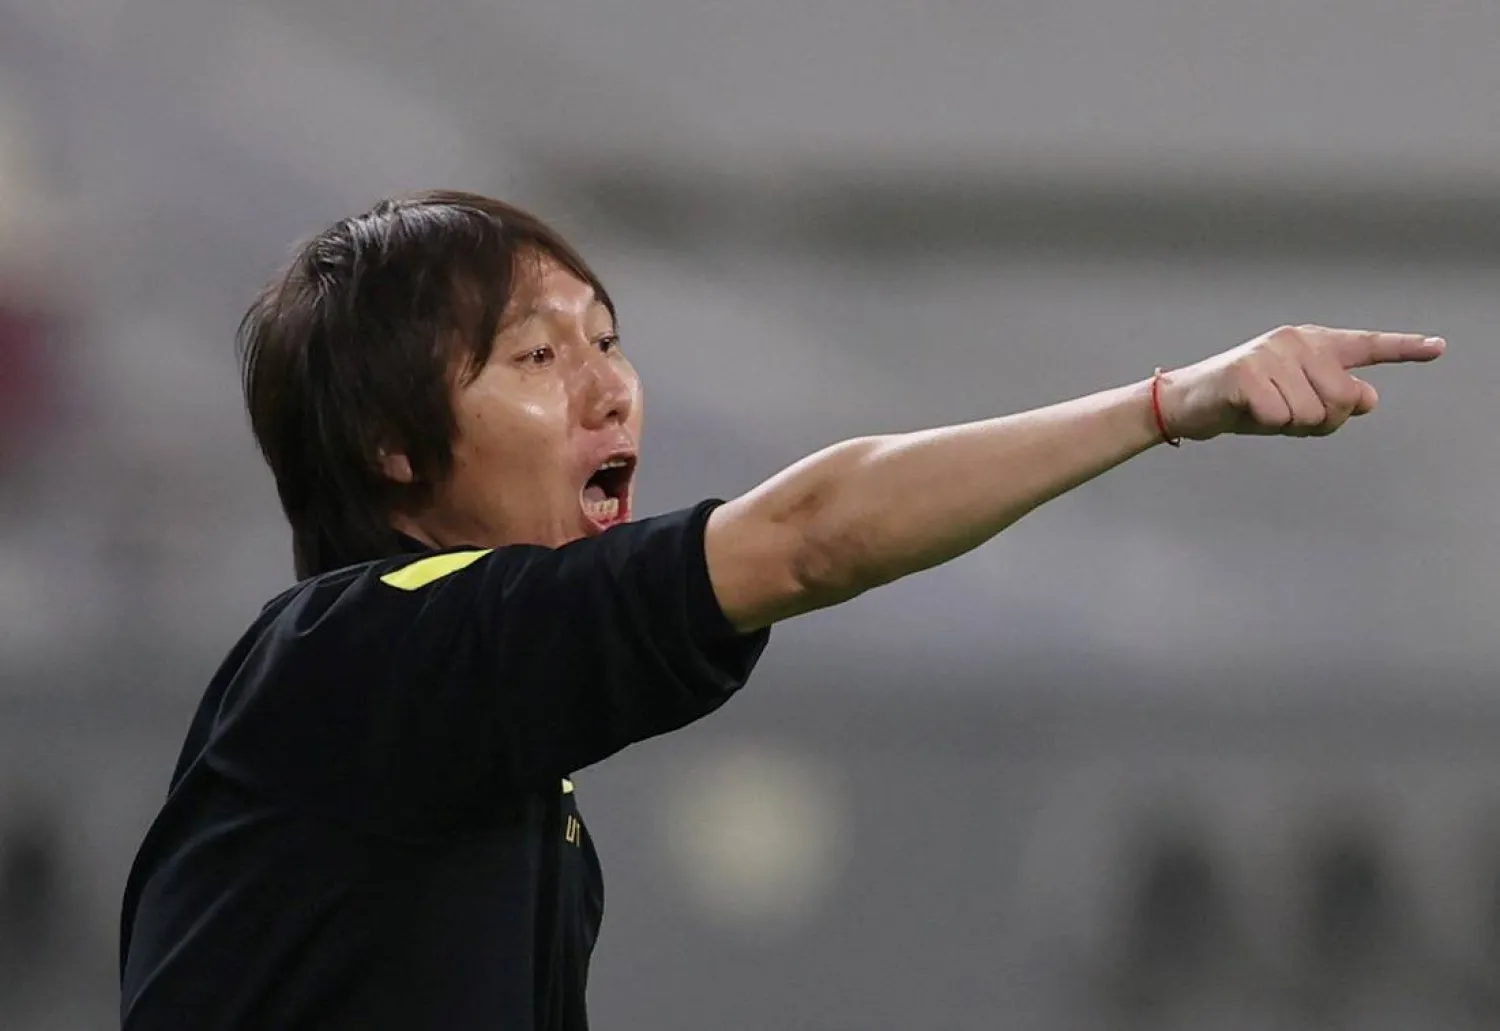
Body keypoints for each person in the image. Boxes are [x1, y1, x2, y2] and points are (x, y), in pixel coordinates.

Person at [117, 190, 1447, 1030]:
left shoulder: (477, 754)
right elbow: (812, 539)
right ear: (392, 446)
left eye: (608, 335)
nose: (612, 387)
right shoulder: (361, 655)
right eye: (537, 353)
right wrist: (1168, 405)